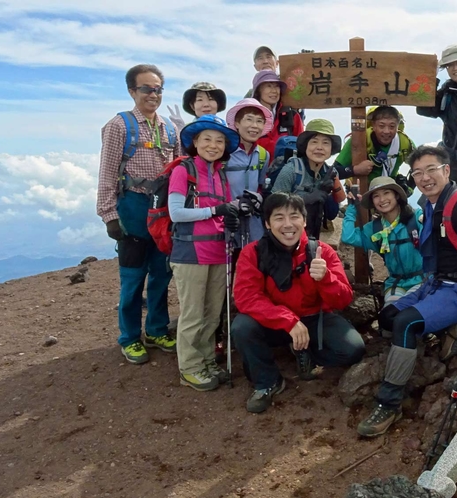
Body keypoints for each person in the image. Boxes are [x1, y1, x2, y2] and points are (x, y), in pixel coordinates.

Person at [356, 145, 457, 437]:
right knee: (389, 317)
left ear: (446, 170)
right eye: (417, 172)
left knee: (405, 325)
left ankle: (388, 403)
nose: (424, 177)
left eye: (431, 169)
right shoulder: (431, 203)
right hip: (438, 282)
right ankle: (441, 334)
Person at [231, 192, 366, 413]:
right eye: (279, 217)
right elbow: (247, 297)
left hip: (314, 318)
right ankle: (268, 381)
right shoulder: (253, 253)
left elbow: (344, 299)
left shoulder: (322, 252)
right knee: (242, 327)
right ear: (267, 223)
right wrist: (289, 321)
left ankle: (304, 351)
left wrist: (325, 279)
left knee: (353, 350)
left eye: (294, 216)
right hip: (274, 322)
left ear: (304, 221)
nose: (287, 224)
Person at [96, 64, 180, 364]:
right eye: (146, 89)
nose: (153, 95)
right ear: (132, 91)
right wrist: (109, 215)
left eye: (158, 89)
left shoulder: (170, 129)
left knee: (161, 274)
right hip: (132, 206)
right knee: (132, 278)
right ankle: (129, 337)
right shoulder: (119, 126)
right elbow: (107, 173)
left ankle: (157, 330)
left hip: (162, 210)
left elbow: (179, 169)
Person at [167, 115, 241, 390]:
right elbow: (176, 212)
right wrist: (214, 211)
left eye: (219, 140)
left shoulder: (220, 174)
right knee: (193, 315)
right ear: (195, 142)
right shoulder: (183, 170)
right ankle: (190, 368)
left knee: (211, 314)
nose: (213, 145)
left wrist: (230, 214)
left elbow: (223, 210)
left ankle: (207, 361)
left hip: (219, 251)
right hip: (190, 253)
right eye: (207, 139)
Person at [341, 176, 424, 312]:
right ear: (373, 202)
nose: (382, 199)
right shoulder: (374, 228)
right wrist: (351, 208)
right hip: (396, 284)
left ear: (396, 196)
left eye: (386, 193)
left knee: (405, 314)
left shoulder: (416, 218)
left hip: (423, 281)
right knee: (389, 320)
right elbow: (348, 237)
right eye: (376, 196)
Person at [417, 44, 457, 191]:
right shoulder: (446, 92)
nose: (455, 68)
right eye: (450, 65)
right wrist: (430, 78)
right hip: (452, 165)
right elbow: (424, 109)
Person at [271, 118, 343, 239]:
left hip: (312, 236)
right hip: (284, 235)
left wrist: (328, 195)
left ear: (331, 149)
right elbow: (273, 204)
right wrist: (306, 198)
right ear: (305, 146)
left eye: (326, 143)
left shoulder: (330, 173)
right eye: (314, 142)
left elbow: (331, 214)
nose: (319, 147)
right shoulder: (292, 169)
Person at [225, 98, 273, 249]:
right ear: (237, 124)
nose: (254, 126)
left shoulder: (264, 155)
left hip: (253, 223)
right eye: (249, 120)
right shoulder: (223, 153)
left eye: (259, 121)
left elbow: (260, 187)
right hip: (225, 221)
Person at [334, 106, 416, 191]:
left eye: (392, 126)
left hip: (389, 190)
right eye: (381, 126)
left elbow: (420, 166)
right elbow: (333, 172)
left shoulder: (404, 142)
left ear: (398, 126)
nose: (386, 131)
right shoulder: (359, 140)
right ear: (373, 125)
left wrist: (409, 189)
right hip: (359, 190)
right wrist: (355, 170)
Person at [252, 70, 305, 161]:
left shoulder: (292, 116)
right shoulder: (249, 116)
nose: (274, 91)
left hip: (286, 173)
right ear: (258, 90)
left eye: (277, 86)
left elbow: (302, 146)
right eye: (268, 86)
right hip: (255, 172)